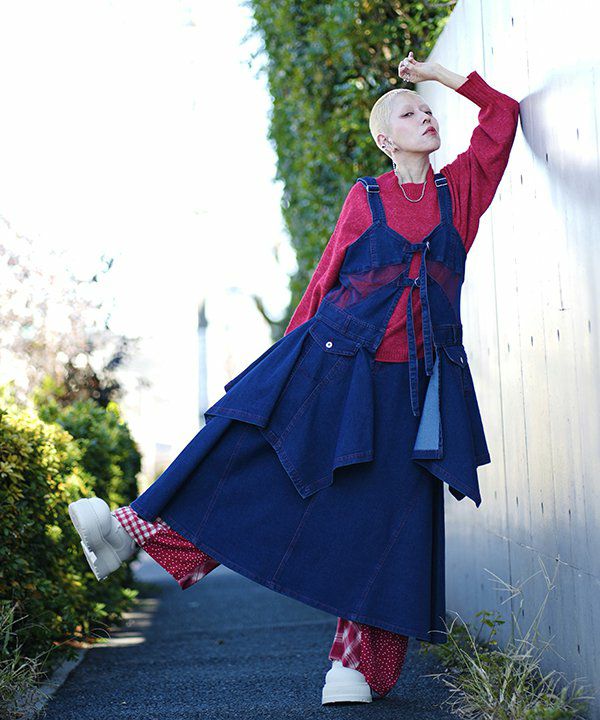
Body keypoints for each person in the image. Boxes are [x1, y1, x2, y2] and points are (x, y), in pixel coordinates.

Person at [68, 51, 520, 705]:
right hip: (337, 363)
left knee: (386, 520)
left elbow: (502, 115)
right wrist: (284, 369)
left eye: (427, 111)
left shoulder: (460, 192)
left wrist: (438, 77)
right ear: (384, 139)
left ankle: (353, 667)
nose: (424, 116)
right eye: (407, 112)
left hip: (418, 389)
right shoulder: (366, 197)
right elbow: (324, 279)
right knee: (251, 449)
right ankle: (129, 529)